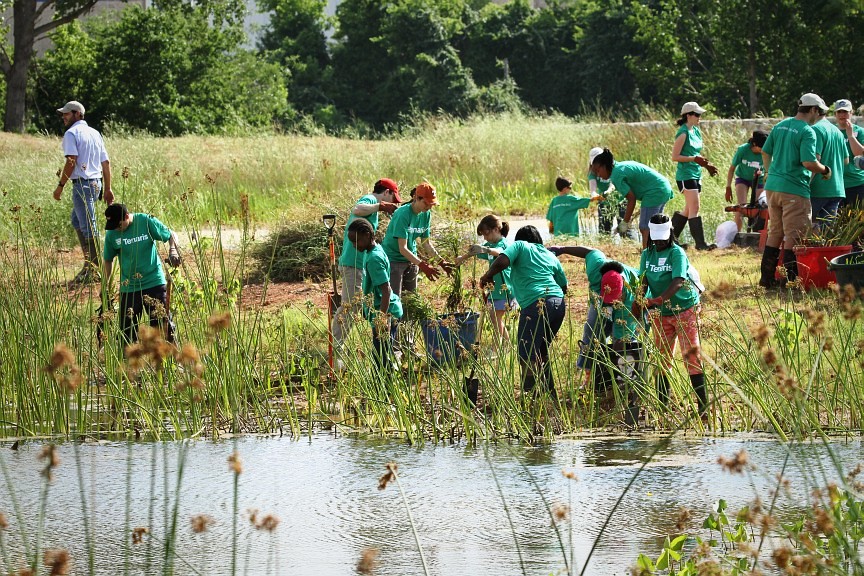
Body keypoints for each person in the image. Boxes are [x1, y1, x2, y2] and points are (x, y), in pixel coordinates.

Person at [635, 213, 708, 418]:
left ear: (670, 233)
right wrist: (639, 302)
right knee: (661, 360)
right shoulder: (646, 255)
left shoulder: (677, 253)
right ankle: (663, 408)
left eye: (663, 236)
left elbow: (677, 281)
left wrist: (657, 300)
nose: (659, 240)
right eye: (655, 236)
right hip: (661, 314)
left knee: (691, 357)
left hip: (684, 309)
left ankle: (703, 408)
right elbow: (643, 283)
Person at [480, 226, 567, 397]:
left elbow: (503, 260)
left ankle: (530, 396)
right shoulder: (550, 255)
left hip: (535, 304)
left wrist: (488, 275)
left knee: (526, 354)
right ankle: (549, 394)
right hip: (558, 304)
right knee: (540, 350)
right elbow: (563, 285)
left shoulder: (520, 245)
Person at [758, 93, 832, 288]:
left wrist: (768, 172)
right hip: (794, 189)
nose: (820, 116)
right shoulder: (807, 131)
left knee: (775, 232)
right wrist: (825, 169)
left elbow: (766, 151)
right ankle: (791, 280)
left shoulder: (781, 125)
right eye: (820, 112)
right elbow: (808, 162)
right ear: (814, 110)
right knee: (795, 234)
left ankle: (766, 278)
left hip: (772, 187)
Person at [332, 178, 401, 348]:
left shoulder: (374, 208)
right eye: (393, 199)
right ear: (386, 193)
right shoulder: (370, 200)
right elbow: (357, 208)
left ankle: (338, 346)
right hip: (352, 263)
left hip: (358, 263)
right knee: (350, 307)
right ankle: (336, 348)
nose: (392, 203)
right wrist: (381, 206)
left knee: (358, 305)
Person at [102, 204, 181, 345]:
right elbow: (108, 260)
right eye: (113, 226)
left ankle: (173, 363)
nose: (116, 229)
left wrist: (173, 250)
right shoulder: (112, 233)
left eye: (118, 225)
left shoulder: (145, 221)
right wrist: (105, 286)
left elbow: (171, 234)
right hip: (129, 287)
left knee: (163, 327)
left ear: (126, 216)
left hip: (154, 282)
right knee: (127, 332)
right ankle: (129, 365)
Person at [54, 101, 114, 285]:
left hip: (82, 184)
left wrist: (60, 185)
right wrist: (108, 188)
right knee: (77, 220)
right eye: (63, 114)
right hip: (95, 184)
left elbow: (71, 161)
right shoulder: (95, 133)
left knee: (89, 226)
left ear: (78, 114)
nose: (64, 116)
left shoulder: (72, 133)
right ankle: (90, 266)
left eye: (67, 113)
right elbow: (106, 163)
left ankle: (93, 270)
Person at [347, 218, 403, 369]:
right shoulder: (371, 251)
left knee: (381, 360)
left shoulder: (374, 258)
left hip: (386, 312)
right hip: (382, 310)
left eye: (356, 241)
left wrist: (382, 319)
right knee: (381, 356)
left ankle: (385, 389)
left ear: (367, 235)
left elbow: (386, 290)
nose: (353, 245)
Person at [381, 182, 454, 297]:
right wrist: (423, 265)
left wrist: (441, 262)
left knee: (411, 298)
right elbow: (402, 248)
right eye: (426, 203)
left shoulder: (426, 214)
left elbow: (426, 243)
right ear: (416, 198)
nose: (429, 207)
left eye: (431, 204)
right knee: (394, 299)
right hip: (394, 260)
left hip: (411, 260)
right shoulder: (403, 214)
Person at [590, 148, 674, 248]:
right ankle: (660, 251)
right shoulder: (619, 167)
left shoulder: (616, 175)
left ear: (605, 165)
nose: (598, 175)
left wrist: (624, 222)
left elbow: (631, 199)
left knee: (645, 227)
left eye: (598, 171)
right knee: (657, 225)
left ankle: (647, 256)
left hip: (654, 191)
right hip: (663, 187)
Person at [454, 214, 514, 344]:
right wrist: (462, 258)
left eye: (486, 234)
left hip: (505, 289)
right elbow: (476, 251)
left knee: (495, 318)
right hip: (494, 289)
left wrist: (486, 249)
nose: (485, 238)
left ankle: (503, 346)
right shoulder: (489, 244)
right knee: (494, 319)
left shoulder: (504, 244)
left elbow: (499, 252)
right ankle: (503, 345)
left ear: (496, 229)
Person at [671, 102, 719, 250]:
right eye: (697, 114)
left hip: (696, 173)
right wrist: (693, 159)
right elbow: (675, 156)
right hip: (686, 175)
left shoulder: (696, 131)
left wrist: (707, 165)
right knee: (695, 207)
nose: (699, 117)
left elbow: (696, 153)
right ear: (688, 115)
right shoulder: (683, 133)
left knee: (688, 209)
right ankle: (701, 244)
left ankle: (671, 240)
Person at [810, 107, 848, 228]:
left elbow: (815, 160)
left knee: (804, 228)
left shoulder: (815, 129)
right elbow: (846, 160)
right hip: (836, 188)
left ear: (814, 111)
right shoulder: (837, 131)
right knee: (827, 234)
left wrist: (805, 183)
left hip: (818, 188)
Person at [725, 130, 768, 231]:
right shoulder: (743, 150)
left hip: (759, 179)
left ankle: (756, 233)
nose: (763, 150)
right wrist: (728, 187)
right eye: (761, 147)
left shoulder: (766, 153)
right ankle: (737, 234)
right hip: (743, 178)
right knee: (741, 207)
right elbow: (732, 169)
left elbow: (769, 171)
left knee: (759, 207)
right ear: (754, 144)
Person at [588, 147, 626, 236]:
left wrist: (608, 192)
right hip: (604, 203)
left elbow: (613, 184)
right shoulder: (592, 172)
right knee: (604, 232)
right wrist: (594, 194)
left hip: (620, 200)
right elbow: (592, 187)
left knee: (624, 231)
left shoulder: (613, 167)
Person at [834, 99, 864, 208]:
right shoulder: (832, 132)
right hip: (837, 185)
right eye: (839, 112)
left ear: (851, 113)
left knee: (858, 222)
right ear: (835, 114)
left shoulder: (859, 131)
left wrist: (850, 135)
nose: (842, 115)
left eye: (845, 112)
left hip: (857, 183)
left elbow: (859, 154)